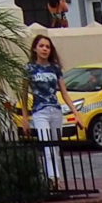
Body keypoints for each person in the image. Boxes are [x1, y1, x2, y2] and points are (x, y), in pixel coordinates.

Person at [24, 34, 74, 181]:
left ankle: (56, 177)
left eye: (47, 47)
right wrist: (25, 118)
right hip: (40, 111)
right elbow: (23, 93)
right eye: (41, 46)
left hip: (56, 110)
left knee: (55, 146)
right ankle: (52, 178)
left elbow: (64, 93)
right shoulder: (29, 68)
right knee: (46, 145)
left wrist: (75, 112)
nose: (45, 49)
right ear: (35, 48)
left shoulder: (55, 68)